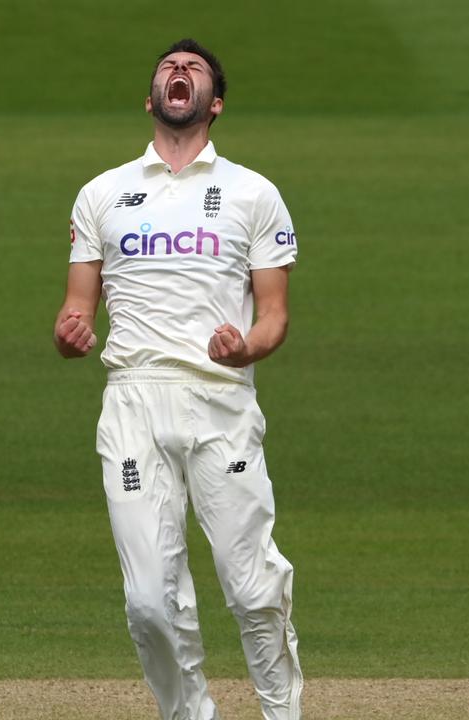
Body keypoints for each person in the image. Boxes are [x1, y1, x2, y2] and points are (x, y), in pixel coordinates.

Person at [52, 38, 303, 720]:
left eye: (193, 70)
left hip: (220, 401)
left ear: (213, 103)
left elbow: (274, 317)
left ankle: (283, 711)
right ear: (152, 98)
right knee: (148, 602)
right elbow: (75, 311)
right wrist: (71, 334)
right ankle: (190, 715)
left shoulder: (253, 193)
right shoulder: (103, 194)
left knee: (252, 589)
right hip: (132, 401)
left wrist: (243, 346)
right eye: (169, 67)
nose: (179, 73)